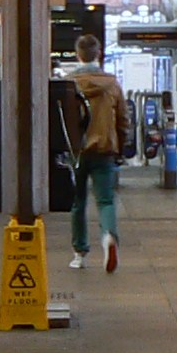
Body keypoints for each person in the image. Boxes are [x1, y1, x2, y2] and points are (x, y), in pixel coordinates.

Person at [64, 33, 126, 272]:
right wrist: (120, 144)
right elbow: (123, 118)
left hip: (76, 152)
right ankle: (108, 236)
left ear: (78, 55)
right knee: (106, 200)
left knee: (77, 202)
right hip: (104, 150)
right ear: (98, 54)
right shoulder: (111, 83)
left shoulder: (69, 84)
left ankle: (79, 253)